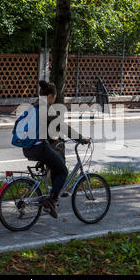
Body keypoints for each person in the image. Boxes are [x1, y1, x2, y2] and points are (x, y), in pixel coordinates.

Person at [22, 80, 89, 218]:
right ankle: (51, 201)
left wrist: (53, 139)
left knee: (54, 165)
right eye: (54, 98)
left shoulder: (33, 106)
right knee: (63, 170)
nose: (53, 101)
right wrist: (81, 139)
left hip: (27, 147)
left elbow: (40, 128)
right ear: (51, 96)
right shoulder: (45, 108)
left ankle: (50, 195)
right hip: (39, 147)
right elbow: (62, 127)